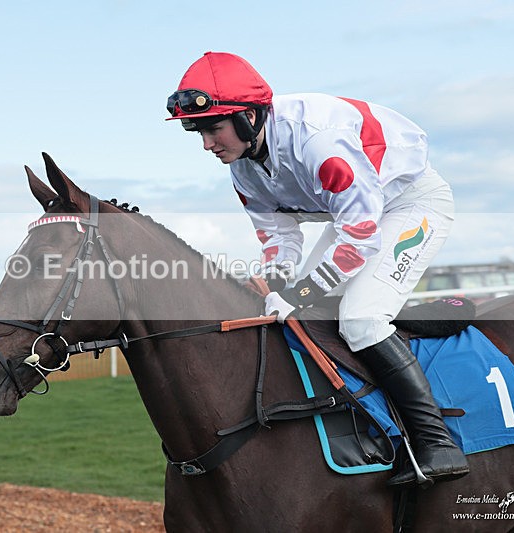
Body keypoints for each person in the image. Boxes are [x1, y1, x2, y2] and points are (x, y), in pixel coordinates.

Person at [166, 51, 468, 487]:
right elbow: (279, 237)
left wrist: (298, 294)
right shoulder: (243, 167)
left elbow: (361, 236)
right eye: (199, 132)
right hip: (351, 215)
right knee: (305, 310)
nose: (207, 144)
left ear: (249, 116)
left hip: (409, 204)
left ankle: (437, 443)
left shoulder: (318, 143)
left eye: (213, 128)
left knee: (361, 318)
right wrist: (275, 282)